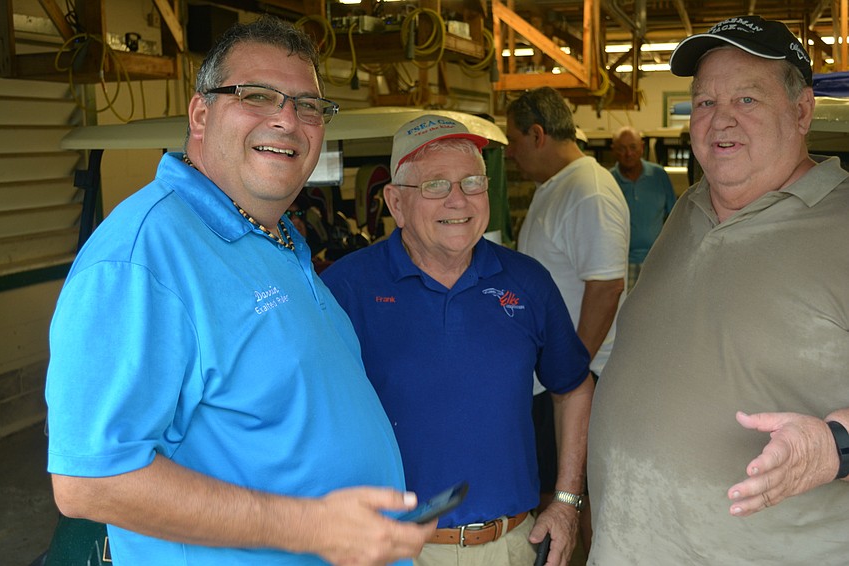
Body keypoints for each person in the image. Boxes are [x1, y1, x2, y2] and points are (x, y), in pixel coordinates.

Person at [44, 16, 435, 565]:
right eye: (257, 96)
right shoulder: (142, 258)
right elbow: (91, 481)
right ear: (201, 114)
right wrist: (313, 527)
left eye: (308, 106)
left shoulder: (272, 235)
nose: (287, 121)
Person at [587, 15, 849, 565]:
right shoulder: (690, 207)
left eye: (747, 100)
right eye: (704, 103)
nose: (719, 119)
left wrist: (837, 445)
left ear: (802, 112)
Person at [321, 114, 594, 566]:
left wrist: (566, 502)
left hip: (512, 545)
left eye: (472, 182)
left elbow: (574, 386)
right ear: (396, 202)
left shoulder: (527, 282)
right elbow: (313, 412)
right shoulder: (347, 288)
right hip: (398, 550)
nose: (459, 200)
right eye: (435, 185)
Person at [504, 87, 630, 554]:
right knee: (550, 495)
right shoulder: (556, 187)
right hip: (554, 376)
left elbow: (606, 287)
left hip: (578, 373)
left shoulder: (588, 191)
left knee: (575, 496)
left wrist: (570, 371)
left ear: (538, 134)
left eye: (514, 140)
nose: (511, 151)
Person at [609, 126, 677, 291]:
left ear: (642, 147)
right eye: (622, 148)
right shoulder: (608, 180)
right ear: (613, 151)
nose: (628, 153)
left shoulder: (659, 176)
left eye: (633, 147)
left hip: (657, 261)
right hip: (620, 265)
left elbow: (675, 217)